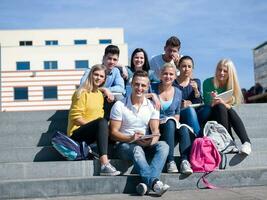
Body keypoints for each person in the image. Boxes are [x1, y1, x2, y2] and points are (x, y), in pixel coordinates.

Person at [109, 70, 170, 196]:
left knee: (164, 146)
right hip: (124, 145)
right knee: (136, 149)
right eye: (137, 84)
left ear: (148, 87)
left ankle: (147, 184)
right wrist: (131, 138)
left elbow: (156, 132)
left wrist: (149, 142)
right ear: (131, 84)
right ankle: (154, 183)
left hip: (144, 142)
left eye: (143, 85)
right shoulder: (119, 105)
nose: (139, 88)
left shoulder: (152, 106)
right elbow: (113, 133)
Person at [67, 64, 120, 176]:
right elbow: (76, 118)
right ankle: (105, 165)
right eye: (96, 74)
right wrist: (98, 128)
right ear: (91, 75)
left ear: (104, 79)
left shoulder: (99, 95)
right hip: (77, 134)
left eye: (101, 76)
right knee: (102, 122)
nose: (98, 78)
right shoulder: (81, 93)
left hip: (92, 133)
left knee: (113, 128)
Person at [151, 63, 194, 174]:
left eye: (171, 74)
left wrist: (176, 124)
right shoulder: (152, 87)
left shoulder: (178, 92)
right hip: (155, 124)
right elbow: (139, 97)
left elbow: (177, 113)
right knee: (170, 121)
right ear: (160, 75)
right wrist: (152, 96)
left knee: (183, 128)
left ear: (175, 76)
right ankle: (170, 161)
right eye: (165, 73)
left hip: (171, 126)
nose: (168, 76)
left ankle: (185, 161)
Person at [203, 59, 252, 155]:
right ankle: (243, 141)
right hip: (210, 116)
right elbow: (207, 104)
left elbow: (232, 104)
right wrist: (214, 101)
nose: (221, 73)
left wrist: (223, 103)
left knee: (224, 107)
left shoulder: (232, 85)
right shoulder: (207, 82)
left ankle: (243, 143)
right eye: (219, 70)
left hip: (226, 115)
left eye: (225, 71)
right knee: (221, 106)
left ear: (230, 73)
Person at [174, 56, 203, 136]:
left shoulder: (196, 81)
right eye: (184, 66)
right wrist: (181, 104)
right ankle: (199, 138)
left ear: (192, 68)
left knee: (207, 109)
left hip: (195, 112)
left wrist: (196, 90)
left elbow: (199, 101)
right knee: (190, 110)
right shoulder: (173, 83)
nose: (186, 69)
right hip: (180, 114)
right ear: (178, 67)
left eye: (189, 66)